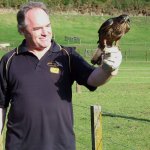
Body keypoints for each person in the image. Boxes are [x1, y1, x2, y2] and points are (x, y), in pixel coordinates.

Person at [0, 2, 122, 150]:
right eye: (38, 28)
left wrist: (108, 68)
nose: (45, 32)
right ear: (22, 30)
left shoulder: (67, 55)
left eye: (48, 25)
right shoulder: (9, 61)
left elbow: (93, 79)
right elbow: (1, 106)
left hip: (61, 146)